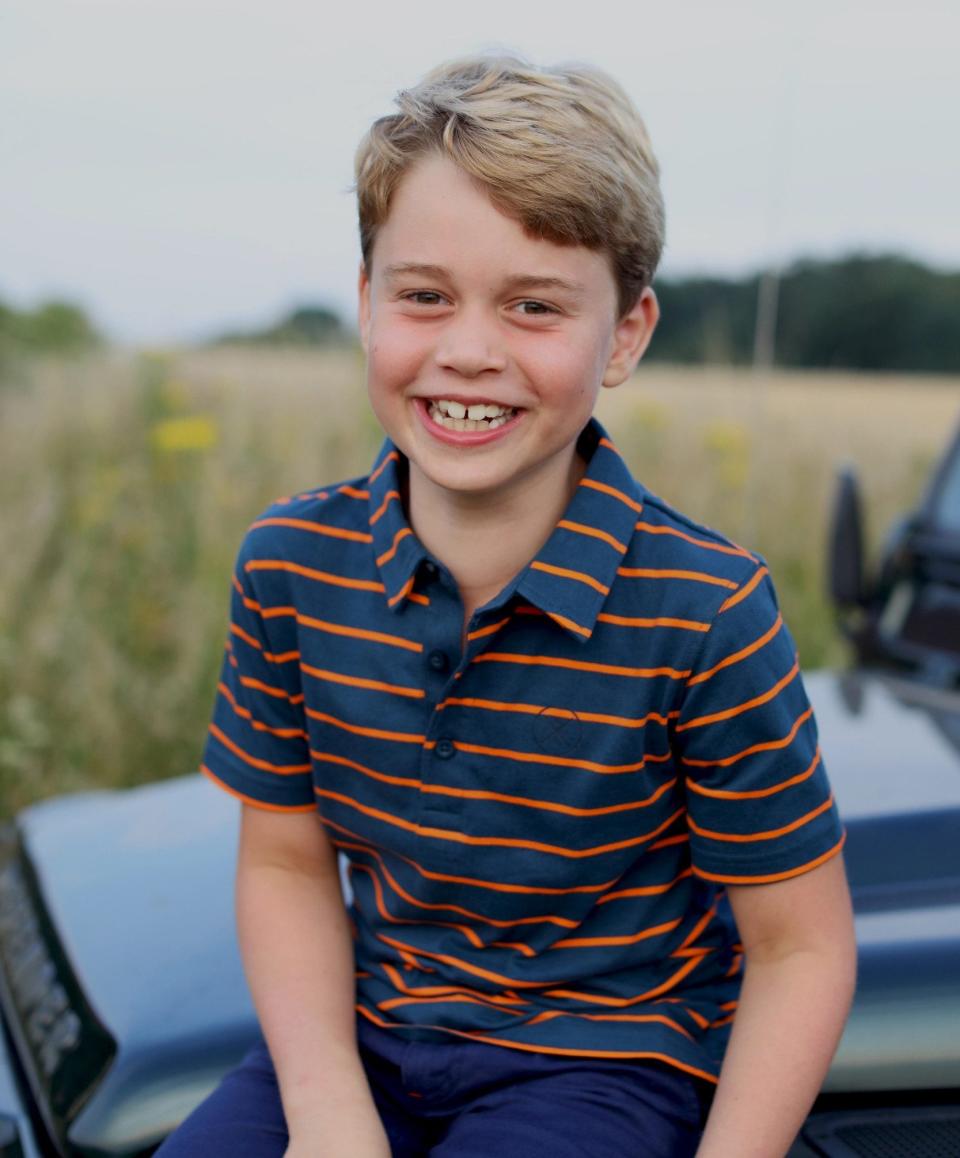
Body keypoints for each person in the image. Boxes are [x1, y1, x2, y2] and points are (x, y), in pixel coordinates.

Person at [157, 55, 857, 1158]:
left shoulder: (709, 609)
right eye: (424, 294)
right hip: (365, 1041)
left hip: (605, 1065)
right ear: (365, 301)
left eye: (534, 306)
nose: (469, 350)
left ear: (623, 335)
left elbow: (800, 949)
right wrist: (329, 1110)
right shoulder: (290, 563)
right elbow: (287, 863)